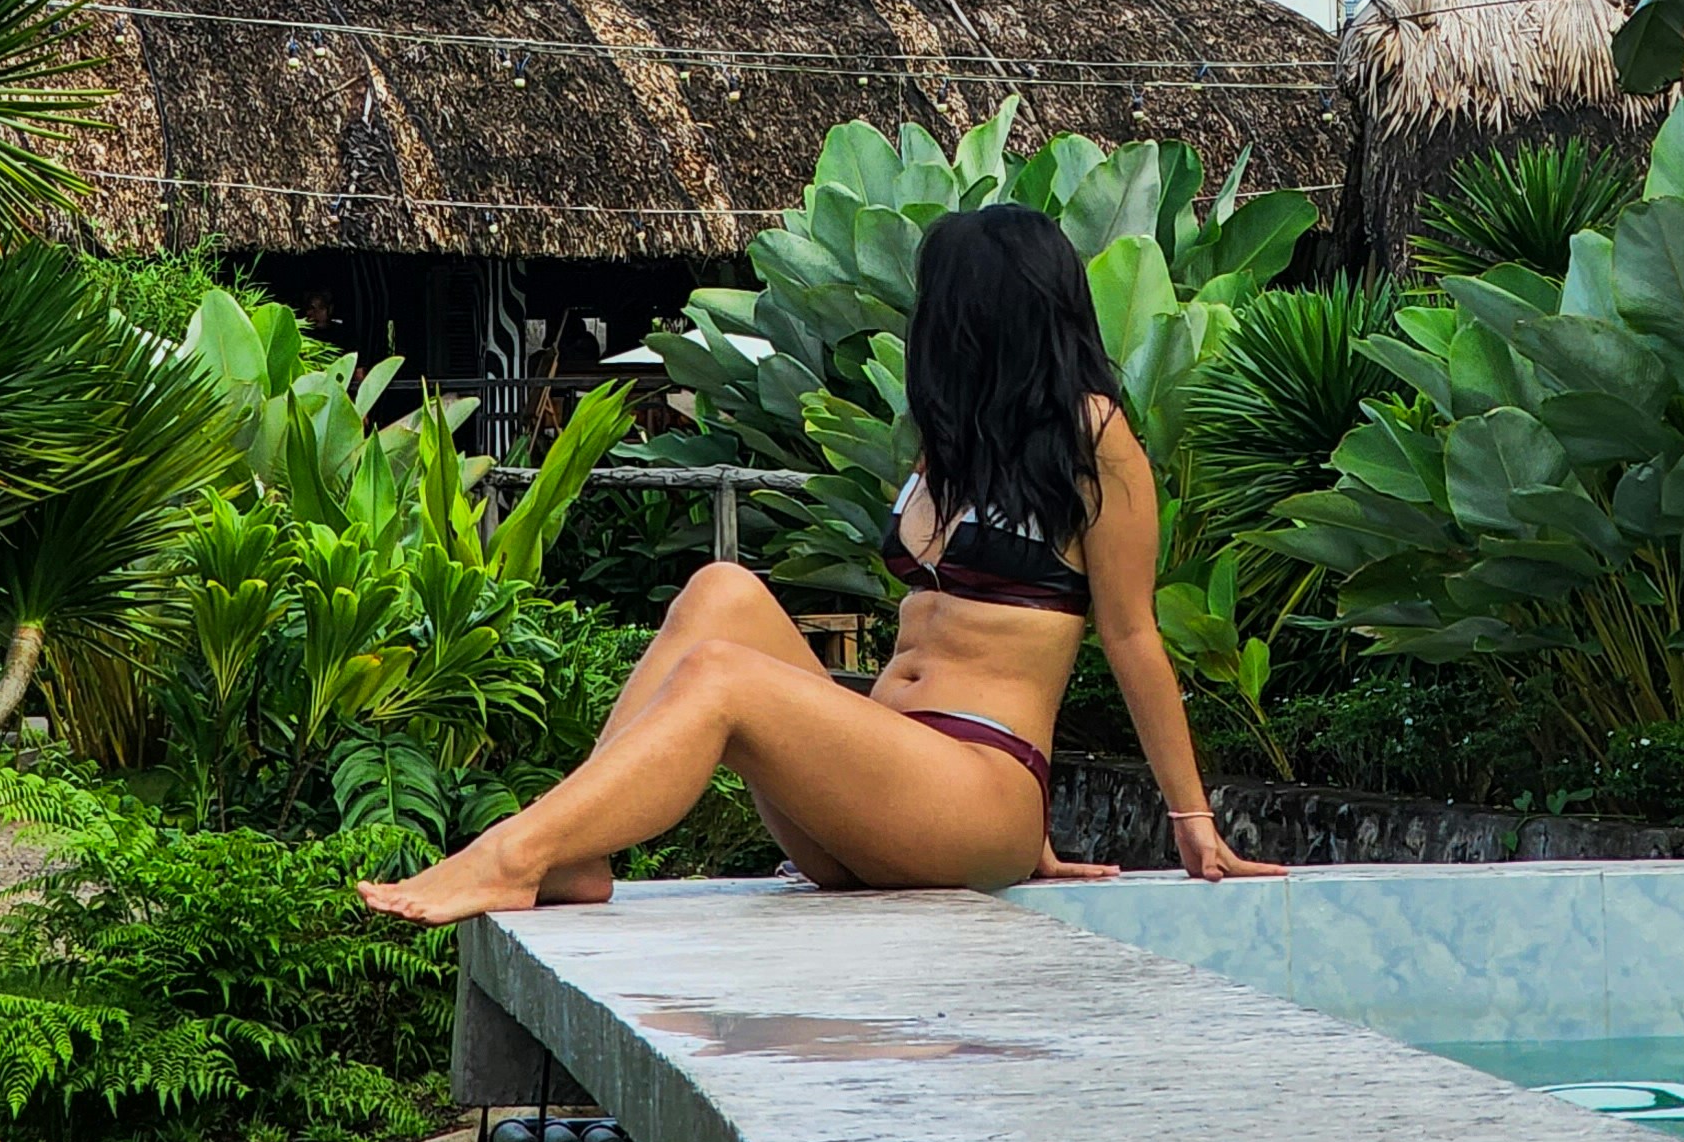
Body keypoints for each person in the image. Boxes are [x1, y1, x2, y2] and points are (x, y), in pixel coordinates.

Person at [357, 202, 1280, 919]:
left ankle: (514, 854)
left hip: (973, 792)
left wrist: (1192, 825)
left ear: (990, 316)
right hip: (883, 796)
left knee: (725, 676)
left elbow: (1129, 634)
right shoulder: (948, 445)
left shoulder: (1096, 436)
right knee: (722, 591)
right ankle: (577, 852)